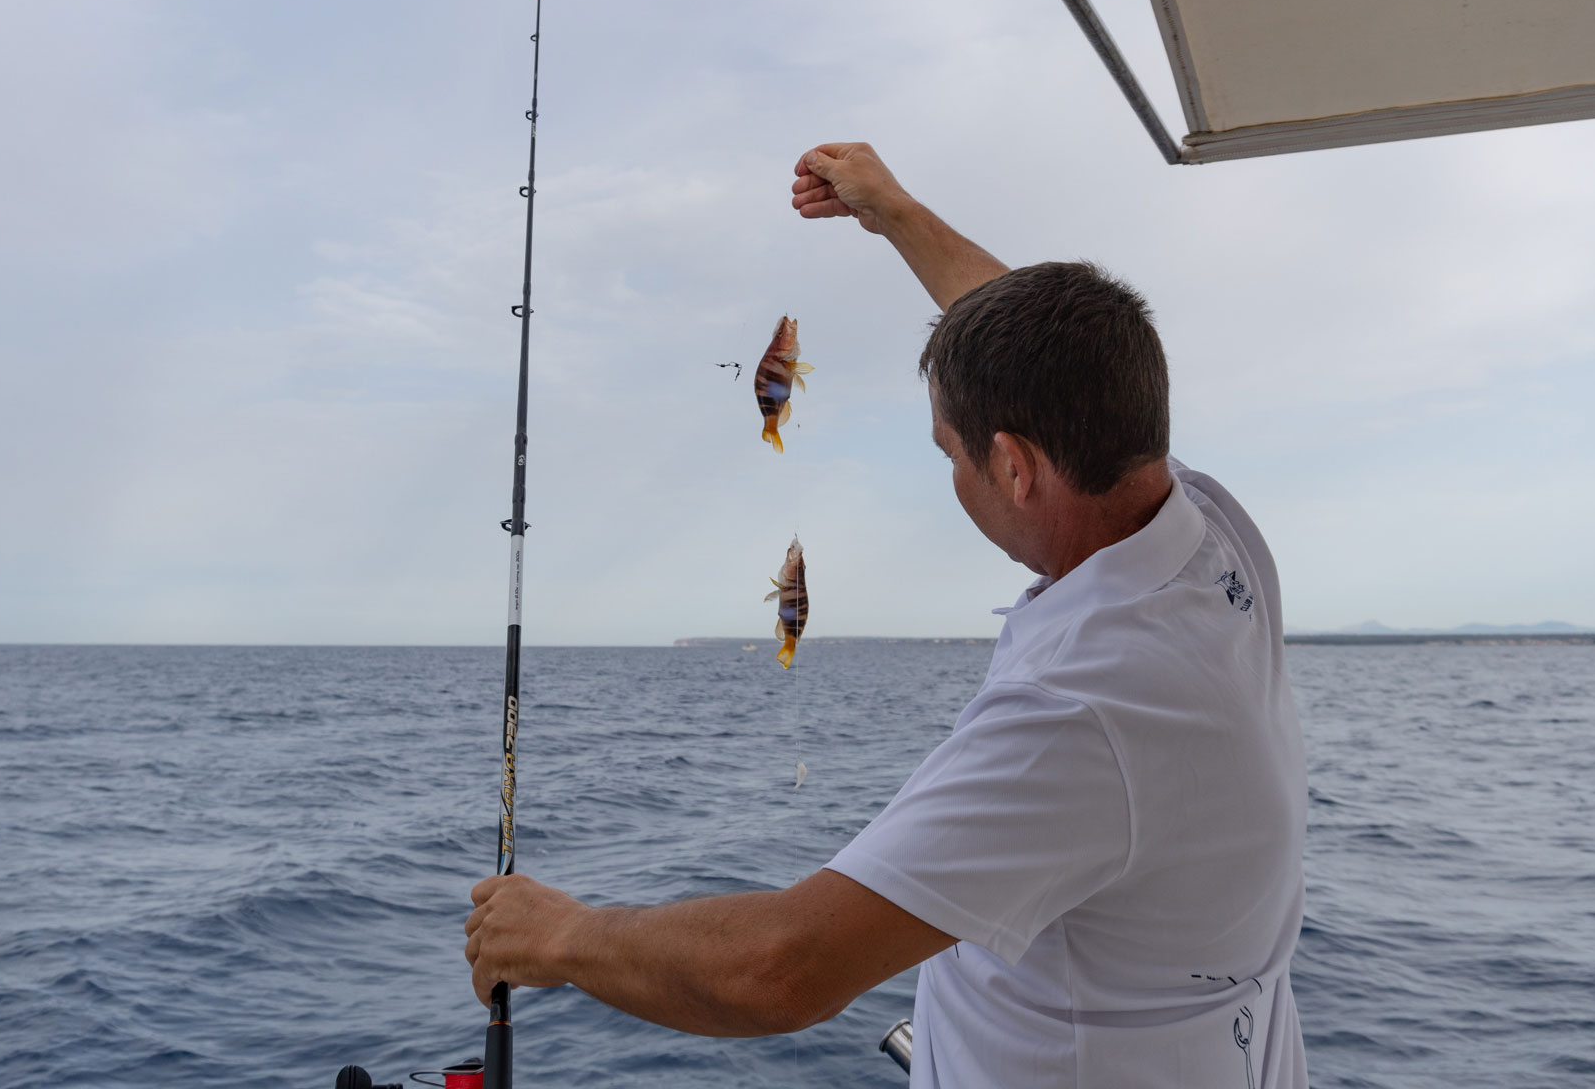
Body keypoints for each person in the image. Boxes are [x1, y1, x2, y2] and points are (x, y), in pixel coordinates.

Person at [464, 142, 1310, 1087]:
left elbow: (782, 968)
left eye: (951, 452)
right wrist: (894, 211)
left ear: (1016, 466)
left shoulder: (1082, 713)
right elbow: (1042, 353)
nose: (951, 474)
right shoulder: (1205, 530)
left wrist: (566, 936)